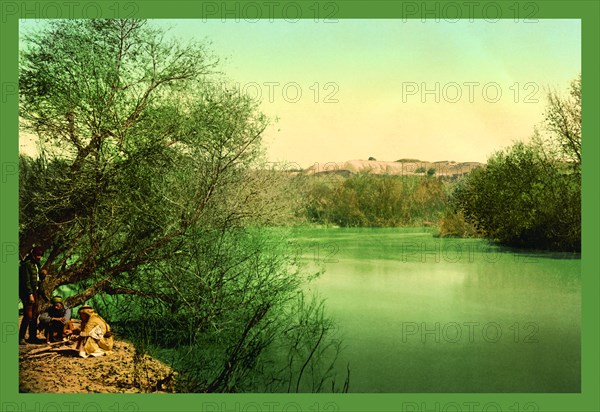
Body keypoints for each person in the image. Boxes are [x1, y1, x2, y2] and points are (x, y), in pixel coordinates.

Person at [19, 246, 47, 345]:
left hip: (35, 292)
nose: (39, 257)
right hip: (27, 293)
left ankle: (32, 337)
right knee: (28, 315)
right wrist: (30, 294)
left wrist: (43, 275)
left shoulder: (37, 265)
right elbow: (26, 281)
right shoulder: (26, 265)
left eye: (40, 256)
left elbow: (37, 279)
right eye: (37, 256)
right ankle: (21, 337)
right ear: (33, 255)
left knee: (35, 315)